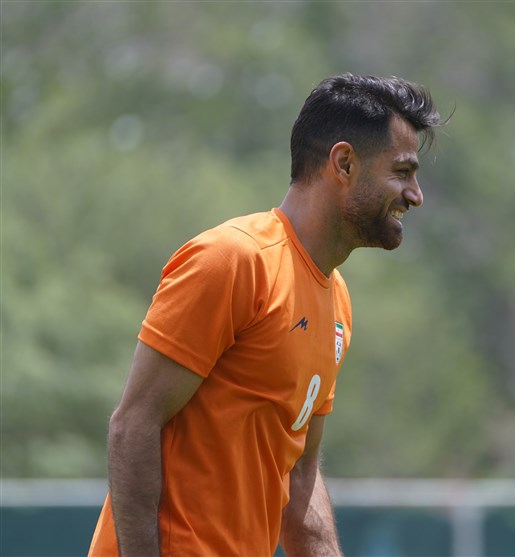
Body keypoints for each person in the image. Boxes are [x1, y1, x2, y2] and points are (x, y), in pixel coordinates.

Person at [88, 73, 444, 557]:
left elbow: (300, 474)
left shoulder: (337, 300)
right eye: (402, 172)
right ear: (344, 163)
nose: (415, 194)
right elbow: (132, 426)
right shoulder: (234, 260)